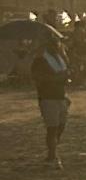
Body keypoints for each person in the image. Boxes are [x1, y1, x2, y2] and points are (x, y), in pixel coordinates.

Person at [31, 35, 69, 166]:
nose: (57, 47)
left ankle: (53, 149)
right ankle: (52, 153)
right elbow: (39, 78)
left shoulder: (60, 59)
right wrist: (57, 78)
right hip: (48, 96)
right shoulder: (40, 60)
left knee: (61, 125)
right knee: (52, 128)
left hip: (60, 95)